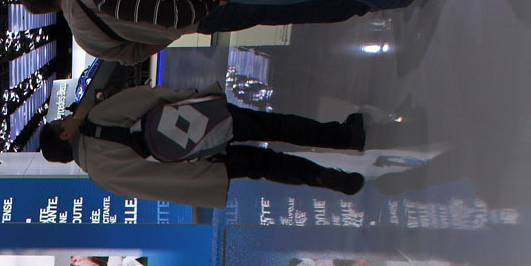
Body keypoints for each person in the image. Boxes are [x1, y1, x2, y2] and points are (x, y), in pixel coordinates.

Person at [39, 87, 366, 207]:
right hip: (198, 125)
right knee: (274, 126)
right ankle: (344, 137)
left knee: (268, 165)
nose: (68, 119)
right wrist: (197, 95)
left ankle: (328, 179)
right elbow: (151, 97)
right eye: (63, 122)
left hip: (204, 169)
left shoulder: (100, 177)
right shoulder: (97, 118)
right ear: (65, 135)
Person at [21, 0, 430, 65]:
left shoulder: (87, 40)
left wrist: (172, 29)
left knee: (282, 11)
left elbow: (139, 53)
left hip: (202, 20)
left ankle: (359, 4)